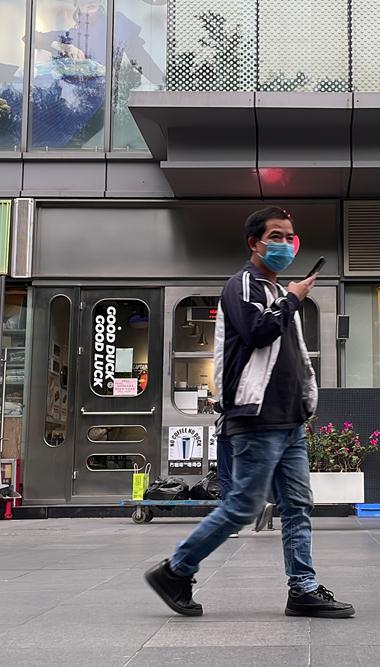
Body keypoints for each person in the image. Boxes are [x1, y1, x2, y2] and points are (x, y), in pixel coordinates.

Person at [145, 207, 354, 619]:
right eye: (275, 236)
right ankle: (176, 569)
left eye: (290, 237)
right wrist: (294, 299)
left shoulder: (278, 293)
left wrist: (306, 399)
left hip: (289, 420)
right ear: (254, 243)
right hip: (256, 419)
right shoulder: (242, 285)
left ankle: (303, 588)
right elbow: (259, 332)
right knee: (242, 506)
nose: (284, 244)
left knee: (297, 505)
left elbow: (289, 355)